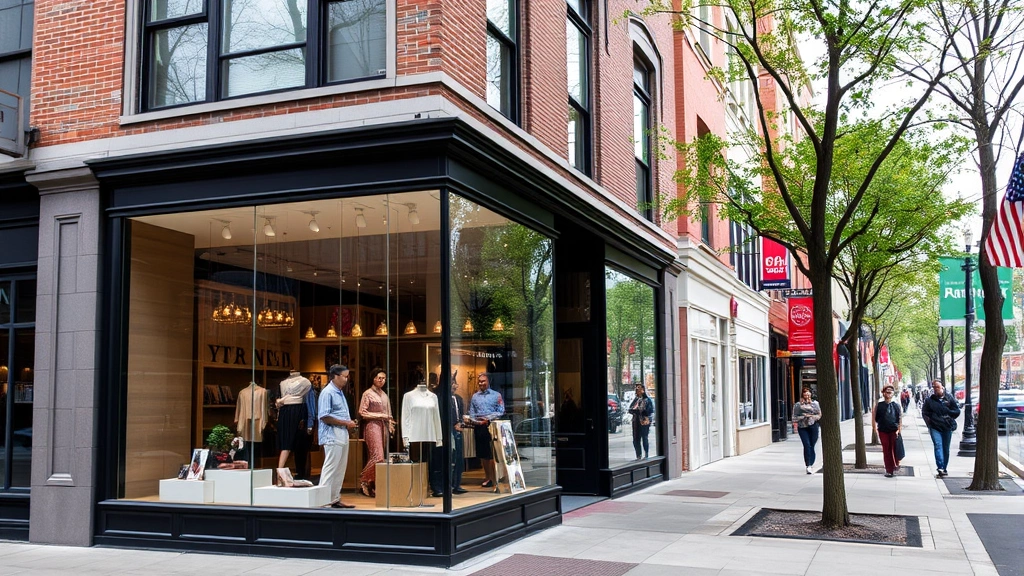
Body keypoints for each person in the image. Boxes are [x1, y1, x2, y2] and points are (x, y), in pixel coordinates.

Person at [318, 364, 358, 508]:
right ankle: (323, 501)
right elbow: (324, 416)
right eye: (345, 376)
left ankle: (334, 498)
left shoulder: (339, 392)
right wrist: (346, 422)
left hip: (341, 432)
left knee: (340, 468)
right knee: (330, 468)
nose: (347, 379)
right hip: (331, 433)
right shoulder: (328, 392)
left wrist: (347, 424)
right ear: (335, 376)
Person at [358, 368, 395, 497]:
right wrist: (380, 415)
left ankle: (372, 482)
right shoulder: (367, 394)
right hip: (372, 425)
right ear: (373, 378)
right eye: (379, 378)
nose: (382, 381)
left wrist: (390, 424)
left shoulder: (384, 395)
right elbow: (362, 412)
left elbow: (389, 414)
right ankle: (363, 479)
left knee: (380, 457)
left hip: (383, 426)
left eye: (384, 378)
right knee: (377, 456)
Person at [468, 372, 504, 489]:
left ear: (488, 381)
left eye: (483, 381)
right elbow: (471, 411)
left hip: (492, 426)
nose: (481, 383)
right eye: (479, 381)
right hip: (479, 427)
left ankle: (495, 478)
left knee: (492, 454)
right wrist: (474, 420)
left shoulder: (496, 395)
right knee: (482, 454)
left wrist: (487, 418)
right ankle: (487, 477)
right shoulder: (475, 396)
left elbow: (501, 411)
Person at [921, 379, 960, 477]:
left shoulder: (949, 398)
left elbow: (956, 411)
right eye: (934, 387)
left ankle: (944, 468)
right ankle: (940, 467)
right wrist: (929, 423)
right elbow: (924, 412)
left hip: (947, 426)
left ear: (942, 387)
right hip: (935, 427)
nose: (935, 389)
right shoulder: (929, 400)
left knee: (945, 448)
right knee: (938, 446)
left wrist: (948, 413)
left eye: (937, 387)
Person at [873, 384, 903, 477]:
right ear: (884, 393)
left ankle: (895, 465)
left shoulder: (896, 405)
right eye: (887, 391)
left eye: (891, 391)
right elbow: (874, 417)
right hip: (883, 430)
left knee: (894, 448)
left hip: (893, 430)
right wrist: (874, 428)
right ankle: (889, 469)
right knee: (886, 449)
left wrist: (899, 430)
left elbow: (900, 418)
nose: (889, 393)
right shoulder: (879, 405)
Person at [792, 388, 822, 474]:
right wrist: (803, 417)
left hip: (813, 426)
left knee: (812, 445)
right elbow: (794, 417)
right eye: (805, 395)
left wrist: (811, 417)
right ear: (802, 396)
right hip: (802, 427)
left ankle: (811, 463)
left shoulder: (815, 404)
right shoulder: (798, 405)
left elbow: (819, 414)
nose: (807, 397)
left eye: (808, 395)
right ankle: (808, 465)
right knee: (807, 445)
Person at [450, 374, 467, 494]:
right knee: (451, 458)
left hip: (458, 431)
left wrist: (461, 423)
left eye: (455, 384)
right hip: (449, 431)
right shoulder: (443, 399)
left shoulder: (459, 399)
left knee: (459, 458)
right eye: (452, 383)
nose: (455, 386)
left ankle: (457, 484)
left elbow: (461, 414)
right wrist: (452, 425)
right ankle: (450, 484)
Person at [628, 383, 654, 459]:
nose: (636, 391)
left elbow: (648, 411)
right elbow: (630, 408)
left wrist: (639, 411)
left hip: (643, 421)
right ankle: (638, 455)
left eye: (638, 390)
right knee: (636, 439)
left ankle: (646, 454)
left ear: (642, 390)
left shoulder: (647, 400)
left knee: (644, 437)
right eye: (636, 390)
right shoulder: (636, 399)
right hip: (636, 421)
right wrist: (634, 411)